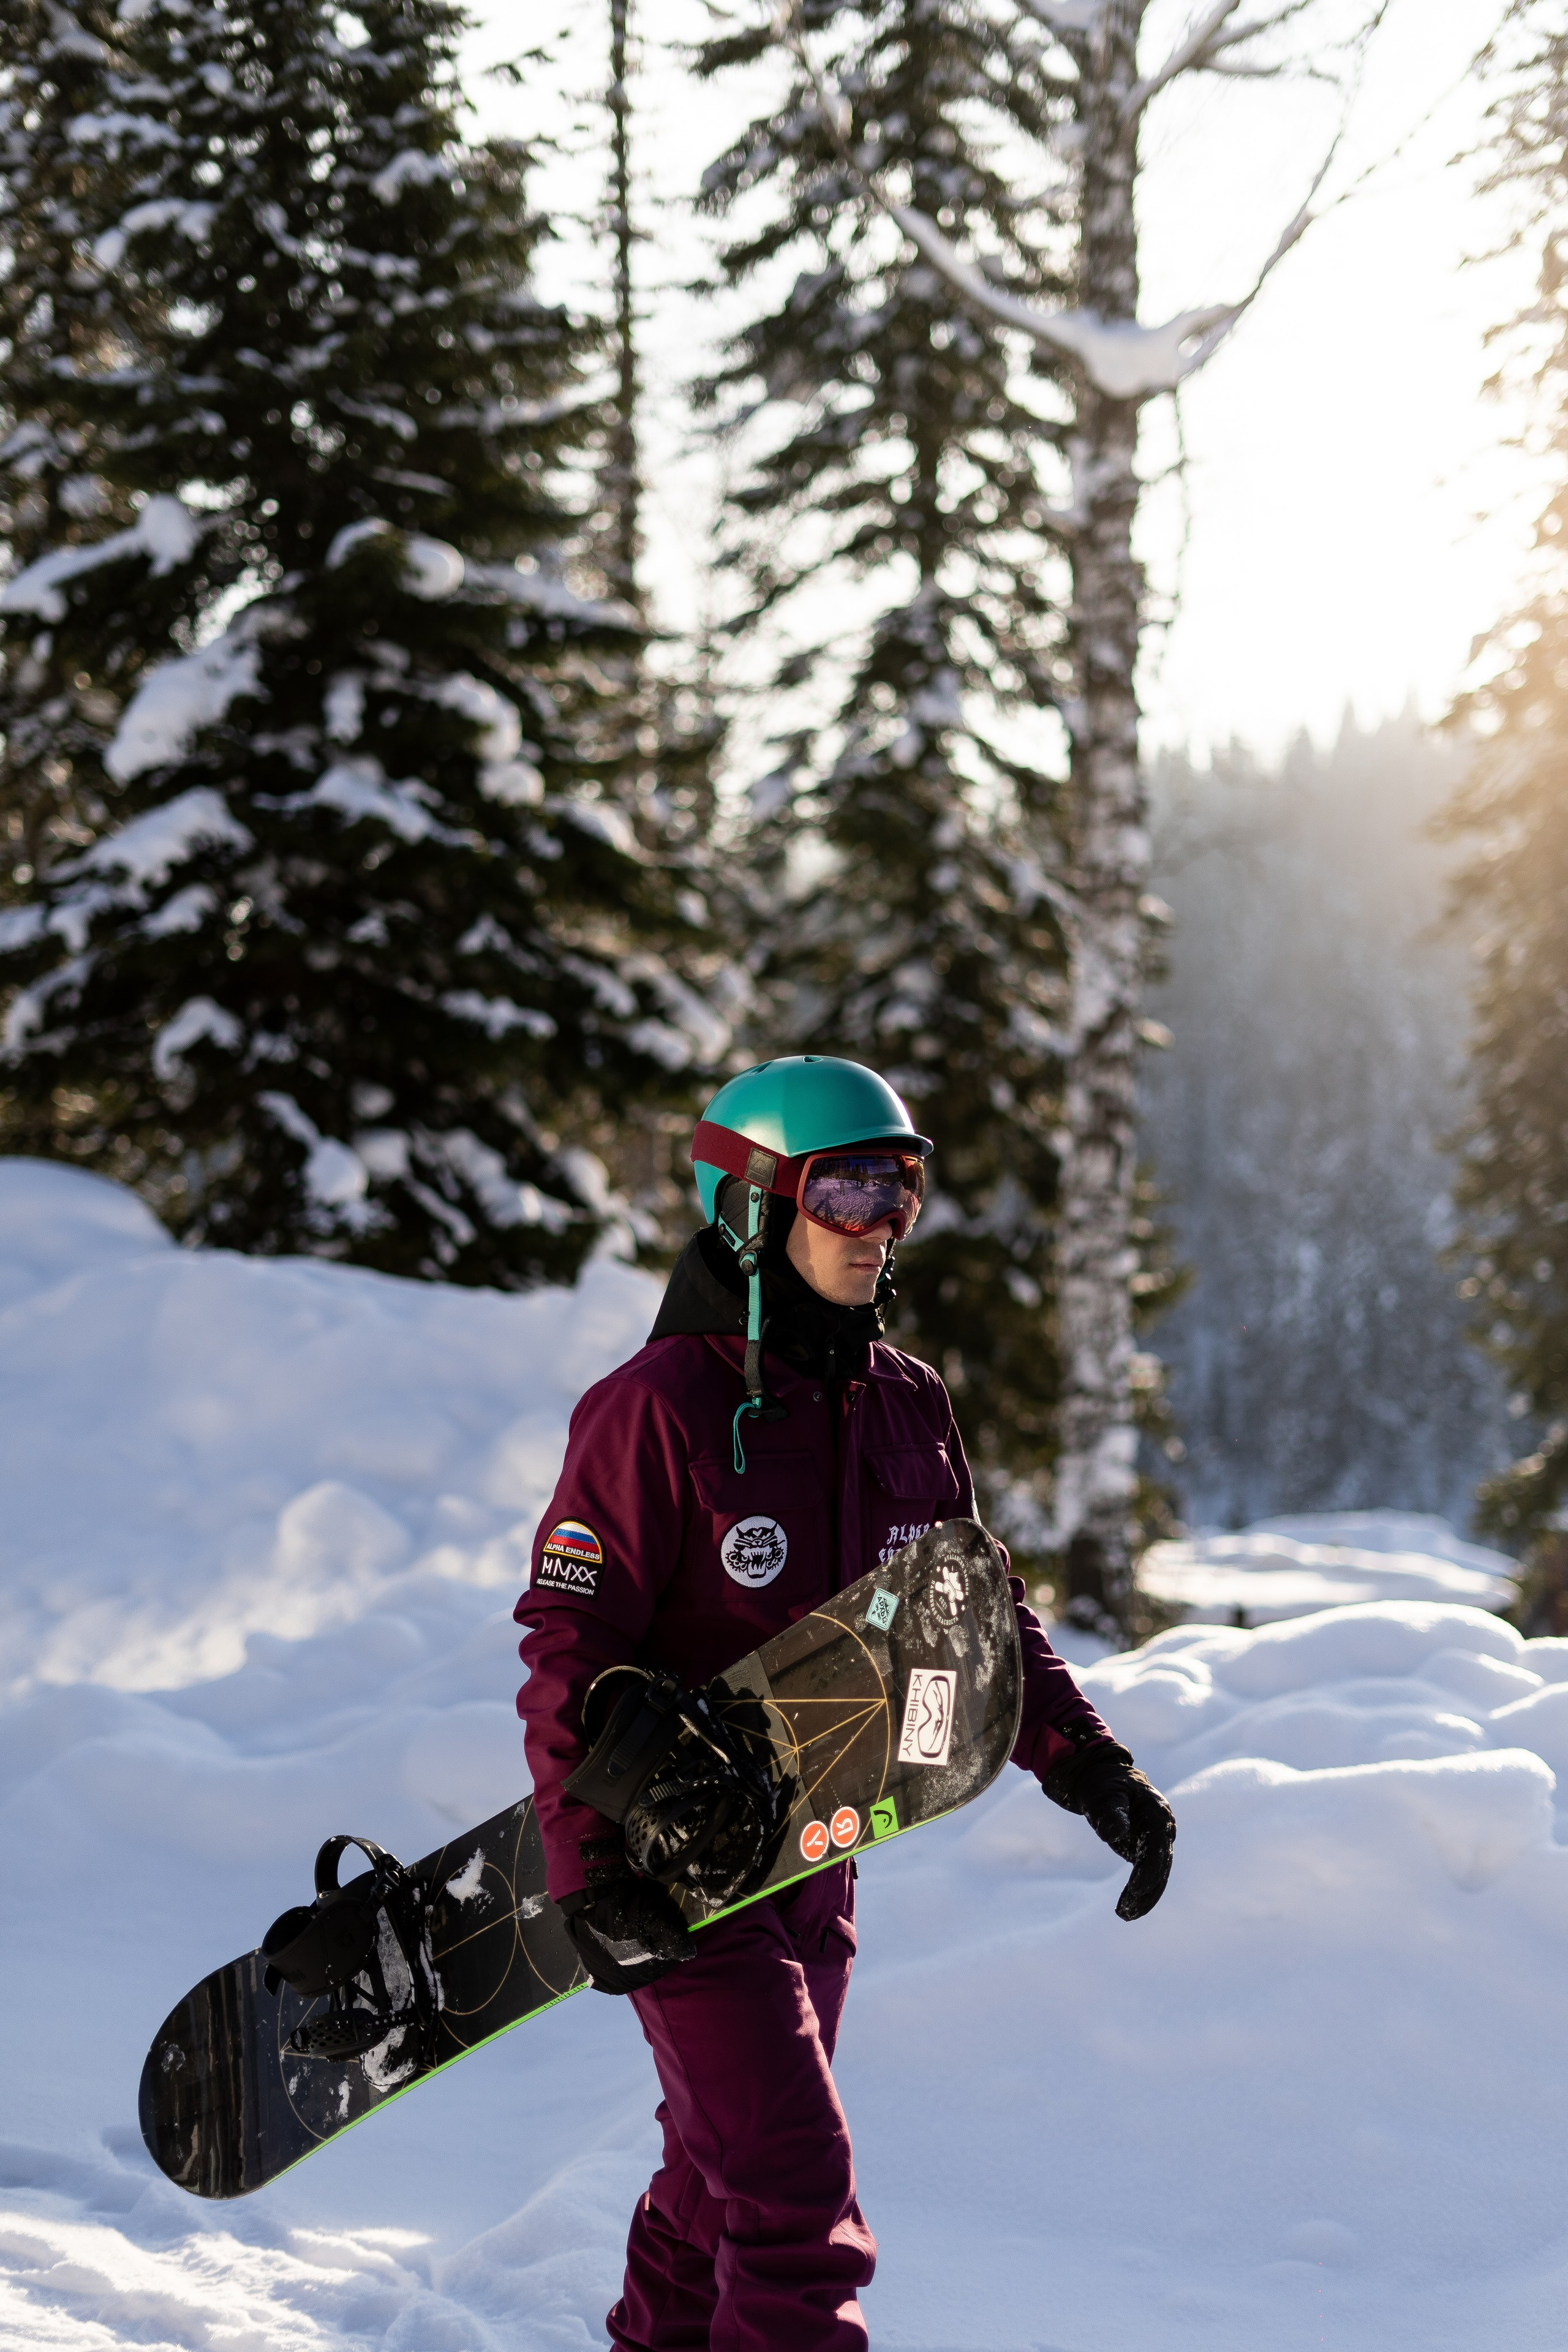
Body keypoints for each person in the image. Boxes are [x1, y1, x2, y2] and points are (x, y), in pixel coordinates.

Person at [514, 1054, 1176, 2352]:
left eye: (901, 1190)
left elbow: (974, 1615)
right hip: (679, 1868)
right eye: (848, 1191)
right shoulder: (655, 1410)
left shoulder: (906, 1403)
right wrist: (588, 1870)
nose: (883, 1225)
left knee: (715, 2179)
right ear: (752, 1209)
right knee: (793, 2195)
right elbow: (568, 1643)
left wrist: (1089, 1763)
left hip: (821, 1853)